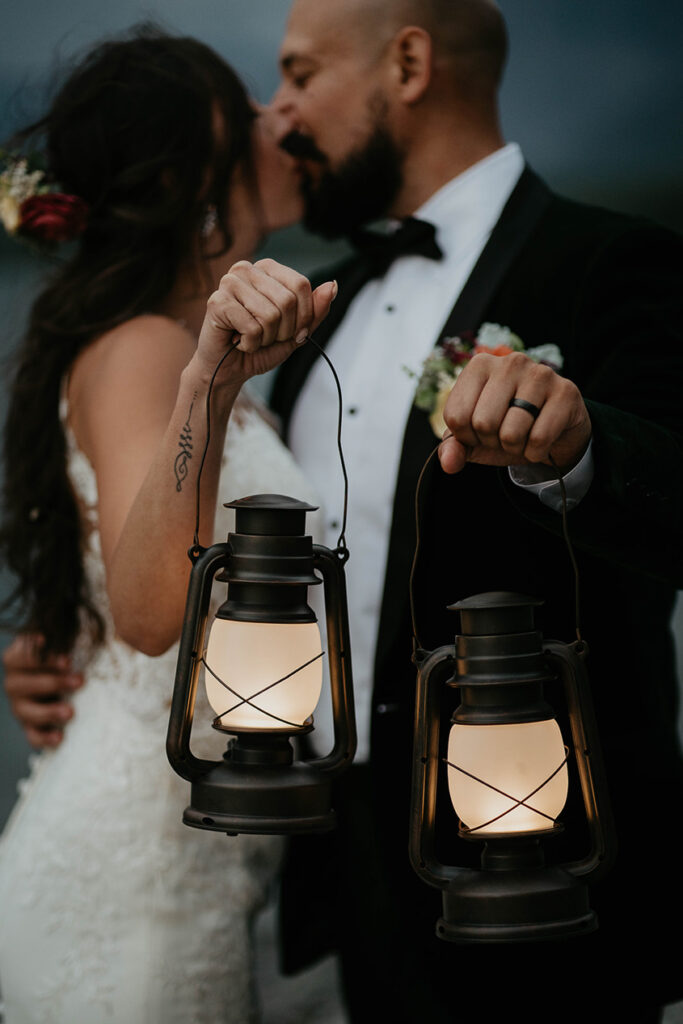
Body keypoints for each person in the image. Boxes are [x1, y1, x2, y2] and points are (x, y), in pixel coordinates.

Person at [265, 1, 683, 1022]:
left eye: (300, 75)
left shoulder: (611, 260)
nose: (277, 115)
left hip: (548, 870)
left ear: (407, 64)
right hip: (355, 867)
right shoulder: (315, 305)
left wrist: (577, 450)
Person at [0, 28, 336, 1024]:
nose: (280, 125)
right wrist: (209, 380)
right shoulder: (151, 349)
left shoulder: (161, 345)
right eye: (249, 115)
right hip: (134, 888)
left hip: (194, 871)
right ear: (195, 178)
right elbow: (153, 610)